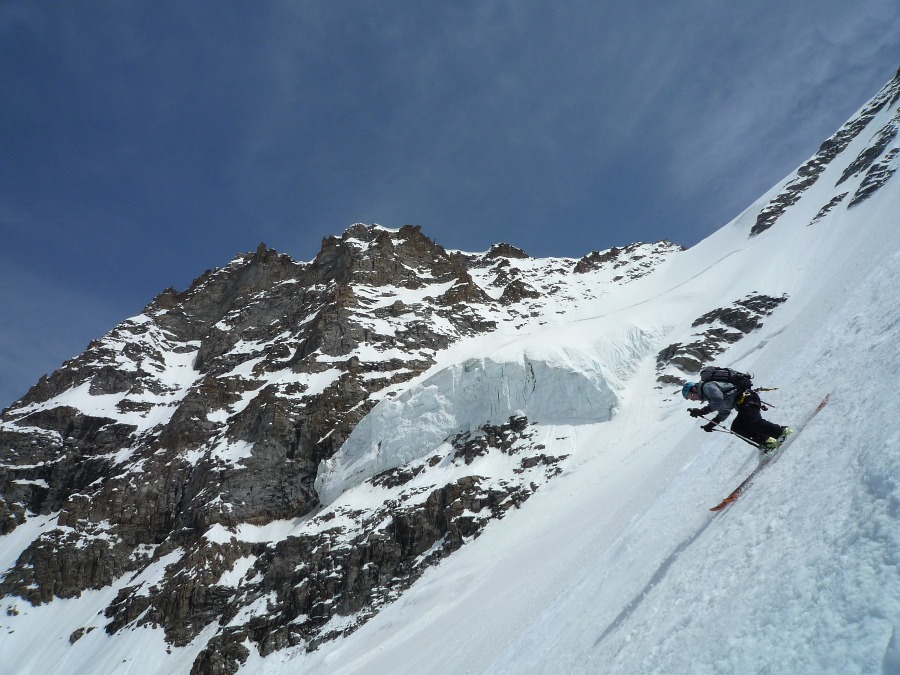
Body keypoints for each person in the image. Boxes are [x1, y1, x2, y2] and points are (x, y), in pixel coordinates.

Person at [682, 380, 791, 450]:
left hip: (748, 399)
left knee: (752, 422)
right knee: (737, 428)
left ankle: (782, 432)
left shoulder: (708, 387)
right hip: (743, 404)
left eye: (691, 396)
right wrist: (711, 425)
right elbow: (724, 412)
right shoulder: (709, 397)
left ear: (694, 389)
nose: (693, 399)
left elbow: (718, 399)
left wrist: (702, 411)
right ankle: (768, 442)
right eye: (690, 399)